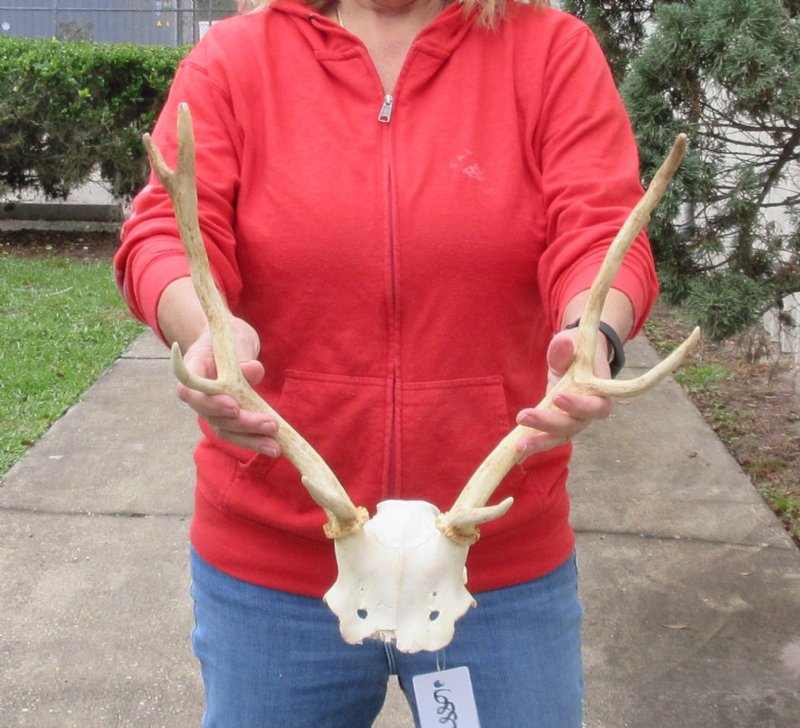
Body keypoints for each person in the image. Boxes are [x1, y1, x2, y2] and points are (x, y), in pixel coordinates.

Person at [115, 0, 658, 725]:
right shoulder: (237, 59)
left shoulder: (551, 51)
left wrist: (591, 335)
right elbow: (169, 231)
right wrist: (204, 330)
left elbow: (600, 225)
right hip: (278, 571)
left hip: (490, 570)